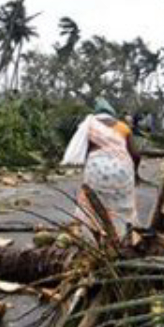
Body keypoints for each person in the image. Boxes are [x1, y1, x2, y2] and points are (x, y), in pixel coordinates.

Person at [60, 98, 141, 236]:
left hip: (96, 168)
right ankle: (123, 236)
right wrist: (136, 172)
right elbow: (136, 154)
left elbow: (83, 149)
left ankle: (92, 236)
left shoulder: (89, 125)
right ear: (112, 113)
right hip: (122, 169)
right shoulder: (123, 127)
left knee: (92, 203)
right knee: (122, 205)